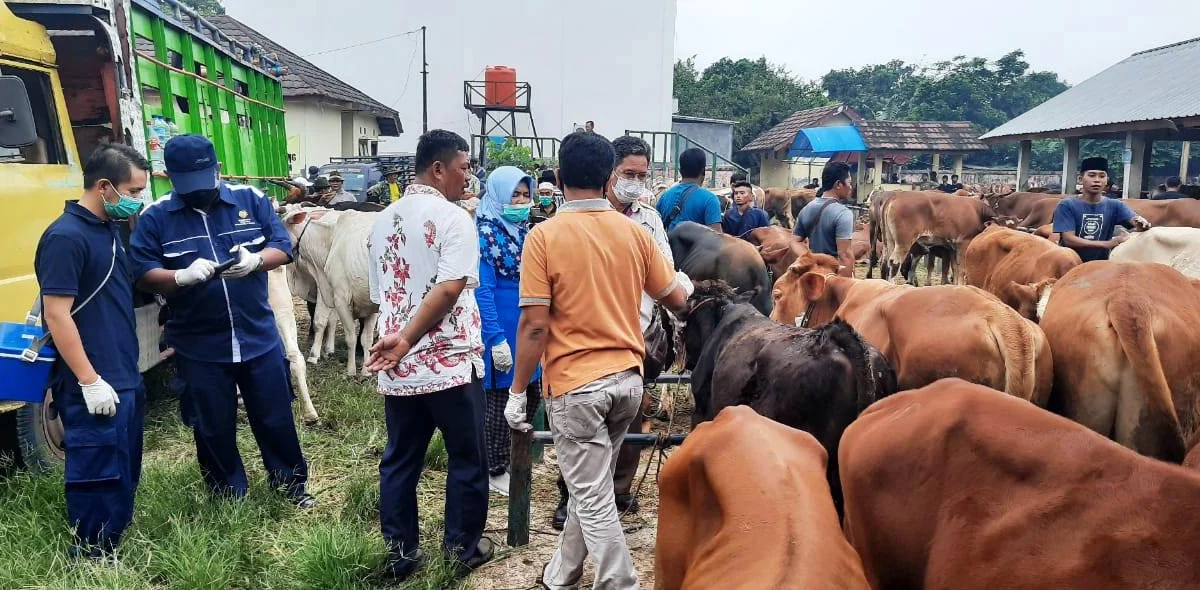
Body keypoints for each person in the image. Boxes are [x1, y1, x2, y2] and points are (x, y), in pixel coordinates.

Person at [506, 131, 689, 590]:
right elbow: (677, 298)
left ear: (560, 177)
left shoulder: (543, 236)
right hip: (628, 382)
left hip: (575, 386)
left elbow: (533, 326)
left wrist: (515, 392)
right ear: (609, 177)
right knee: (594, 489)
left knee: (591, 497)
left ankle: (619, 583)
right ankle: (562, 574)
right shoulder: (636, 232)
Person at [129, 135, 314, 508]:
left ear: (217, 170)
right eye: (187, 185)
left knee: (275, 417)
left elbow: (283, 246)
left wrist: (257, 260)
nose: (198, 193)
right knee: (212, 426)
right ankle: (229, 495)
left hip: (257, 336)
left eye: (204, 181)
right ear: (170, 177)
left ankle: (291, 487)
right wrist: (179, 277)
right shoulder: (155, 218)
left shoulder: (252, 200)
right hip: (200, 345)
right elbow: (142, 272)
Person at [364, 130, 494, 582]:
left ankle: (401, 552)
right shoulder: (454, 219)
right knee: (466, 457)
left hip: (398, 367)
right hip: (447, 362)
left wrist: (399, 341)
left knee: (400, 457)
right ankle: (461, 548)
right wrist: (410, 339)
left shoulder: (381, 221)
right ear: (438, 169)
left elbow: (381, 294)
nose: (468, 177)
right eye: (464, 167)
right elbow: (449, 287)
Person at [33, 144, 149, 562]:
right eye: (133, 190)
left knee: (123, 466)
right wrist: (89, 380)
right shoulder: (65, 237)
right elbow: (57, 315)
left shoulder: (108, 230)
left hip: (123, 372)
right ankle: (92, 556)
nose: (138, 200)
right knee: (97, 470)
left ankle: (114, 538)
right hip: (94, 380)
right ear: (104, 187)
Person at [474, 165, 541, 497]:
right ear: (498, 195)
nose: (521, 200)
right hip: (502, 326)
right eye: (514, 194)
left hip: (528, 325)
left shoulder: (525, 232)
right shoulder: (485, 234)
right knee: (500, 400)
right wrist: (495, 337)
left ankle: (515, 456)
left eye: (526, 195)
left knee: (532, 392)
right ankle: (493, 466)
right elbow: (482, 290)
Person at [1051, 157, 1151, 262]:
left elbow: (1134, 221)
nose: (1097, 180)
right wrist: (1106, 244)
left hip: (1101, 266)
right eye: (1092, 175)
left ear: (1106, 180)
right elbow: (1069, 240)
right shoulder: (1067, 205)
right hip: (1069, 263)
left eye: (1102, 176)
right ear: (1080, 179)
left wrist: (1141, 225)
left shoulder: (1115, 205)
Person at [794, 161, 856, 277]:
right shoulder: (843, 213)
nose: (851, 187)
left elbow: (794, 241)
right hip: (833, 276)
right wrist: (845, 288)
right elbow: (845, 255)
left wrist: (811, 259)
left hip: (812, 277)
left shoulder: (806, 209)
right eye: (849, 183)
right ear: (838, 184)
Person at [655, 147, 723, 232]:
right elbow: (716, 239)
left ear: (680, 170)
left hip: (668, 245)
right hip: (699, 245)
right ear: (703, 171)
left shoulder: (664, 197)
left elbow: (656, 231)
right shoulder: (710, 200)